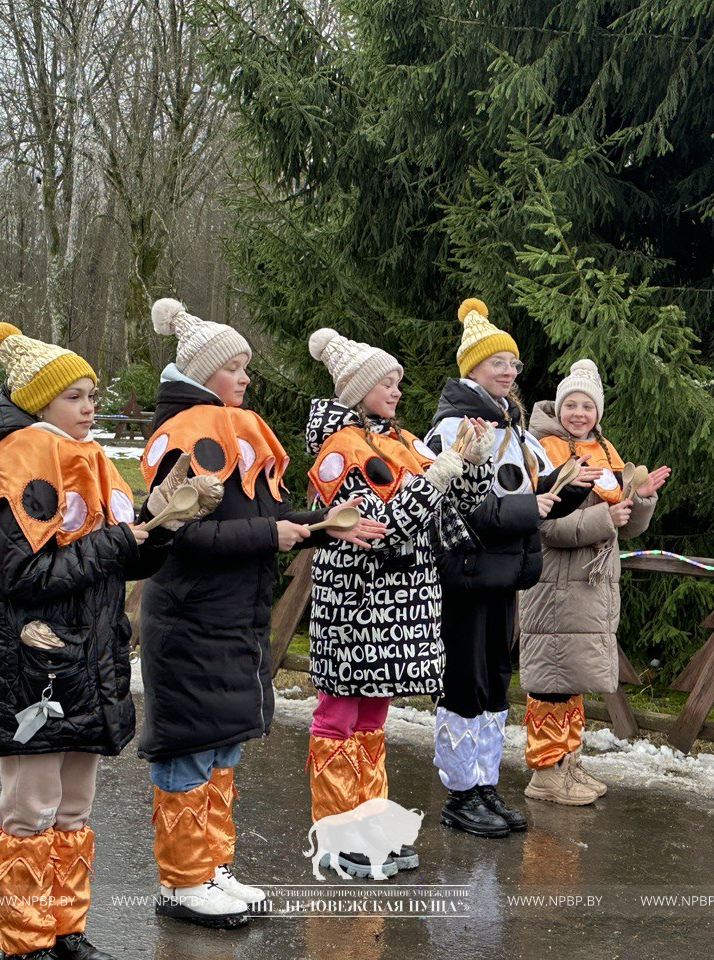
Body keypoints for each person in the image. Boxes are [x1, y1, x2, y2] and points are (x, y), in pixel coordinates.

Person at [139, 299, 387, 928]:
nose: (246, 378)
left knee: (222, 751)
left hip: (232, 619)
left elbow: (263, 521)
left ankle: (209, 865)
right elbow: (180, 536)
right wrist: (270, 538)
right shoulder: (182, 442)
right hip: (192, 620)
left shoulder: (233, 433)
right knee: (191, 753)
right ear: (201, 375)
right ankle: (181, 880)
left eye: (246, 366)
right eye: (235, 367)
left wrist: (330, 527)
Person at [0, 322, 217, 960]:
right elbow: (18, 575)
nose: (90, 407)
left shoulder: (91, 460)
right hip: (35, 670)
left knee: (74, 807)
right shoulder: (15, 465)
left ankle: (65, 932)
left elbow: (118, 562)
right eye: (76, 396)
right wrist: (117, 542)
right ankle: (25, 944)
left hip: (91, 664)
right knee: (31, 807)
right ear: (38, 403)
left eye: (91, 394)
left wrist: (158, 530)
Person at [304, 327, 492, 877]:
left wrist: (471, 464)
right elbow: (381, 526)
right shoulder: (340, 449)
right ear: (358, 389)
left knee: (373, 715)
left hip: (401, 602)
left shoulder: (403, 439)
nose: (397, 391)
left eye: (398, 383)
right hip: (356, 599)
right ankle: (337, 835)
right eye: (387, 382)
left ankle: (370, 826)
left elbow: (451, 508)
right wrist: (439, 474)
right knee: (340, 713)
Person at [424, 298, 598, 839]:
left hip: (503, 574)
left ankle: (484, 785)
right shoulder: (455, 428)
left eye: (514, 365)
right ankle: (459, 795)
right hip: (467, 572)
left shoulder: (514, 427)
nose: (509, 372)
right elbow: (452, 506)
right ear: (471, 368)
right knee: (465, 683)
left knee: (496, 685)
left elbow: (534, 492)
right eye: (498, 363)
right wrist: (533, 506)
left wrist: (569, 491)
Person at [520, 359, 670, 803]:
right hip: (554, 584)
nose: (579, 413)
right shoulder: (543, 451)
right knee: (551, 677)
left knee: (574, 676)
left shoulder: (607, 453)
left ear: (598, 413)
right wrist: (607, 517)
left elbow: (629, 526)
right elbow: (544, 527)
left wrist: (640, 500)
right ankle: (545, 773)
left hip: (591, 586)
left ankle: (569, 762)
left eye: (588, 405)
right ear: (559, 408)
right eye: (571, 404)